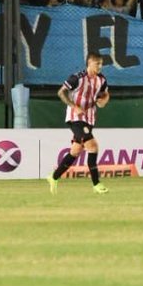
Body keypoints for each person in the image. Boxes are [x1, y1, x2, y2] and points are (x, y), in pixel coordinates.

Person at [47, 52, 111, 195]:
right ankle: (96, 184)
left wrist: (104, 100)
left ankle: (53, 177)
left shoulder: (101, 80)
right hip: (75, 118)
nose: (100, 66)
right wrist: (73, 105)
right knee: (93, 146)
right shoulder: (77, 78)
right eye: (97, 63)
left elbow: (105, 94)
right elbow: (61, 92)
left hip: (89, 118)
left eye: (101, 64)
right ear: (89, 63)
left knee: (75, 152)